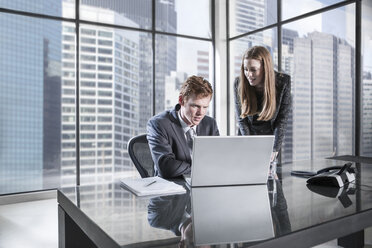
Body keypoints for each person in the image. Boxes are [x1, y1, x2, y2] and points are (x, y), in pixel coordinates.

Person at [147, 75, 220, 179]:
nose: (201, 113)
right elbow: (166, 167)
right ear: (181, 100)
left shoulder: (210, 124)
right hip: (171, 188)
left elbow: (218, 160)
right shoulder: (159, 124)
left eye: (205, 107)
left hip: (203, 183)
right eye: (195, 106)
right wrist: (200, 168)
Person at [234, 46, 291, 162]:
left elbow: (282, 120)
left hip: (270, 139)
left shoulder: (283, 82)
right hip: (247, 136)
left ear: (265, 69)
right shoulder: (239, 83)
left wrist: (274, 149)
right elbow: (241, 119)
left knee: (269, 175)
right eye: (246, 69)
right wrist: (249, 145)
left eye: (253, 70)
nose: (248, 74)